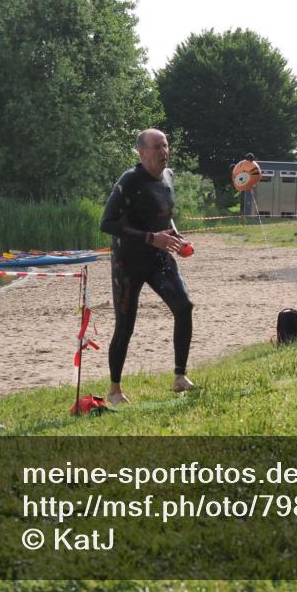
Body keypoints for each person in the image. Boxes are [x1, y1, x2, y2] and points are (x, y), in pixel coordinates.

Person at [101, 130, 195, 404]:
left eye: (165, 146)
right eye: (157, 147)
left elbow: (165, 215)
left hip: (159, 258)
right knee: (125, 326)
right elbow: (106, 223)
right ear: (142, 153)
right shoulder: (130, 180)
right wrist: (151, 238)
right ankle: (115, 390)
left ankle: (180, 377)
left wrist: (176, 237)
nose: (164, 152)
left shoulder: (168, 176)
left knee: (184, 307)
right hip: (128, 261)